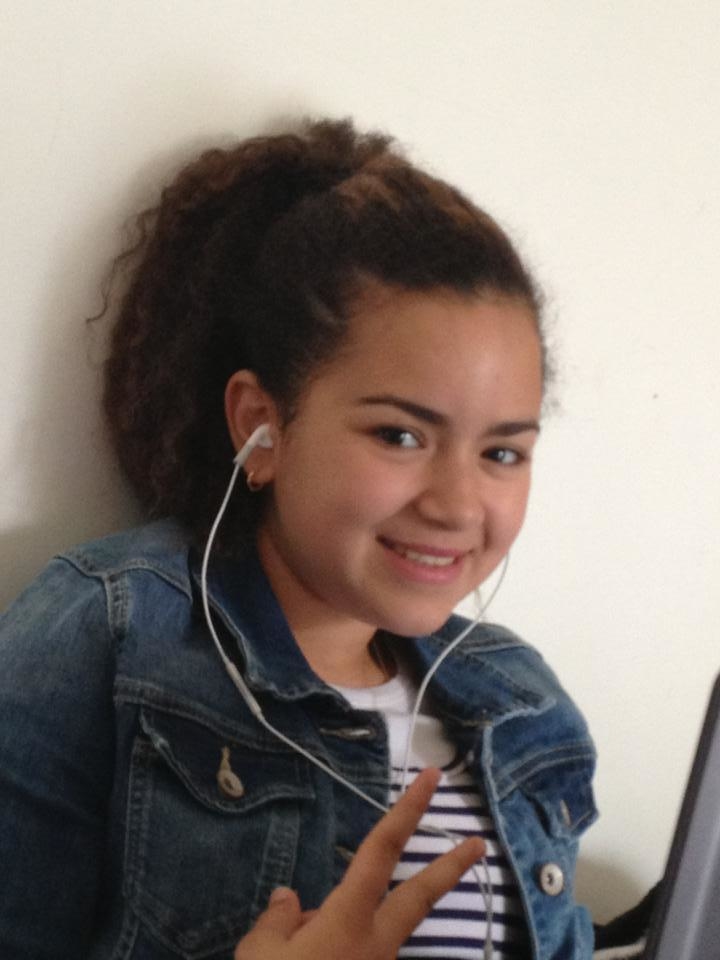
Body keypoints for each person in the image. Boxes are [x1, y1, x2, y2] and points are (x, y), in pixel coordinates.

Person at [0, 118, 598, 960]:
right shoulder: (110, 632)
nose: (459, 505)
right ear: (262, 425)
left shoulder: (524, 703)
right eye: (400, 436)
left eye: (502, 452)